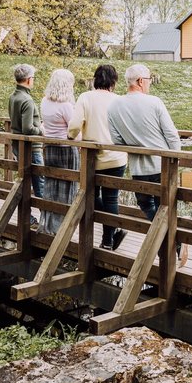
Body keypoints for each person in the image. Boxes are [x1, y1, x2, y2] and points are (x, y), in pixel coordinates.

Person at [107, 63, 188, 266]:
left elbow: (117, 140)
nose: (150, 83)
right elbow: (171, 135)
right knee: (167, 207)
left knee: (147, 205)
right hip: (162, 166)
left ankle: (170, 250)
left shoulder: (114, 106)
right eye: (149, 80)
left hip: (138, 169)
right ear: (141, 81)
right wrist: (176, 159)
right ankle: (175, 244)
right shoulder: (154, 102)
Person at [68, 64, 127, 251]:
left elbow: (75, 124)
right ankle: (108, 241)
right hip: (116, 157)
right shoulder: (120, 100)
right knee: (111, 199)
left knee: (90, 196)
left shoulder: (86, 97)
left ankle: (111, 234)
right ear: (113, 81)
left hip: (93, 158)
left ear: (95, 79)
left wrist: (71, 135)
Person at [40, 68, 78, 235]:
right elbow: (74, 132)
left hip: (49, 148)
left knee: (51, 185)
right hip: (66, 150)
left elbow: (44, 125)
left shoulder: (44, 102)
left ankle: (48, 224)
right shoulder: (66, 106)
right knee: (68, 187)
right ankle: (63, 227)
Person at [8, 63, 43, 229]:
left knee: (24, 182)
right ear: (29, 80)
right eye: (33, 78)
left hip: (17, 146)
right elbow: (28, 128)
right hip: (32, 148)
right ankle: (46, 220)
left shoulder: (13, 97)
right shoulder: (27, 100)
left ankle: (28, 217)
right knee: (39, 184)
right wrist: (41, 130)